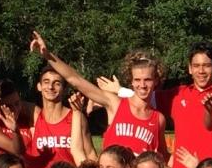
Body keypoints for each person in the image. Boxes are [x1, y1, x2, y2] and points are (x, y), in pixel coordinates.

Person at [30, 31, 168, 157]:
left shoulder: (158, 119)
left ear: (156, 80)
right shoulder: (115, 103)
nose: (142, 85)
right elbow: (76, 79)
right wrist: (47, 55)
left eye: (148, 80)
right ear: (130, 81)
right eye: (137, 80)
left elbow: (162, 157)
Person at [27, 33, 97, 168]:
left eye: (57, 83)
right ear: (38, 86)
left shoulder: (75, 117)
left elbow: (91, 155)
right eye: (46, 82)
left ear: (64, 89)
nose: (50, 87)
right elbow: (4, 98)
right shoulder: (35, 115)